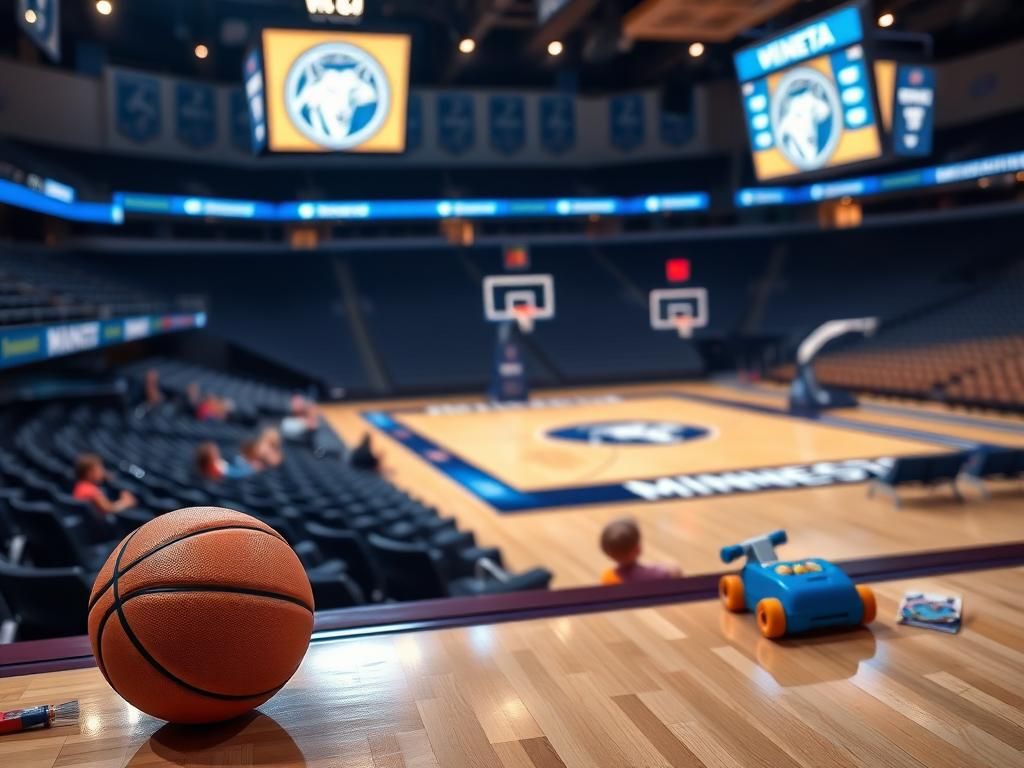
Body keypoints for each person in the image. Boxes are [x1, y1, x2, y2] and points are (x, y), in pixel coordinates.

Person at [599, 517, 681, 586]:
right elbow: (675, 570)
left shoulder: (608, 578)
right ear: (638, 549)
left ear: (608, 554)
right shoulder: (654, 574)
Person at [72, 453, 137, 516]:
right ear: (89, 473)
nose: (103, 472)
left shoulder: (80, 486)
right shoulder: (91, 490)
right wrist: (125, 502)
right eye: (99, 469)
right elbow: (108, 508)